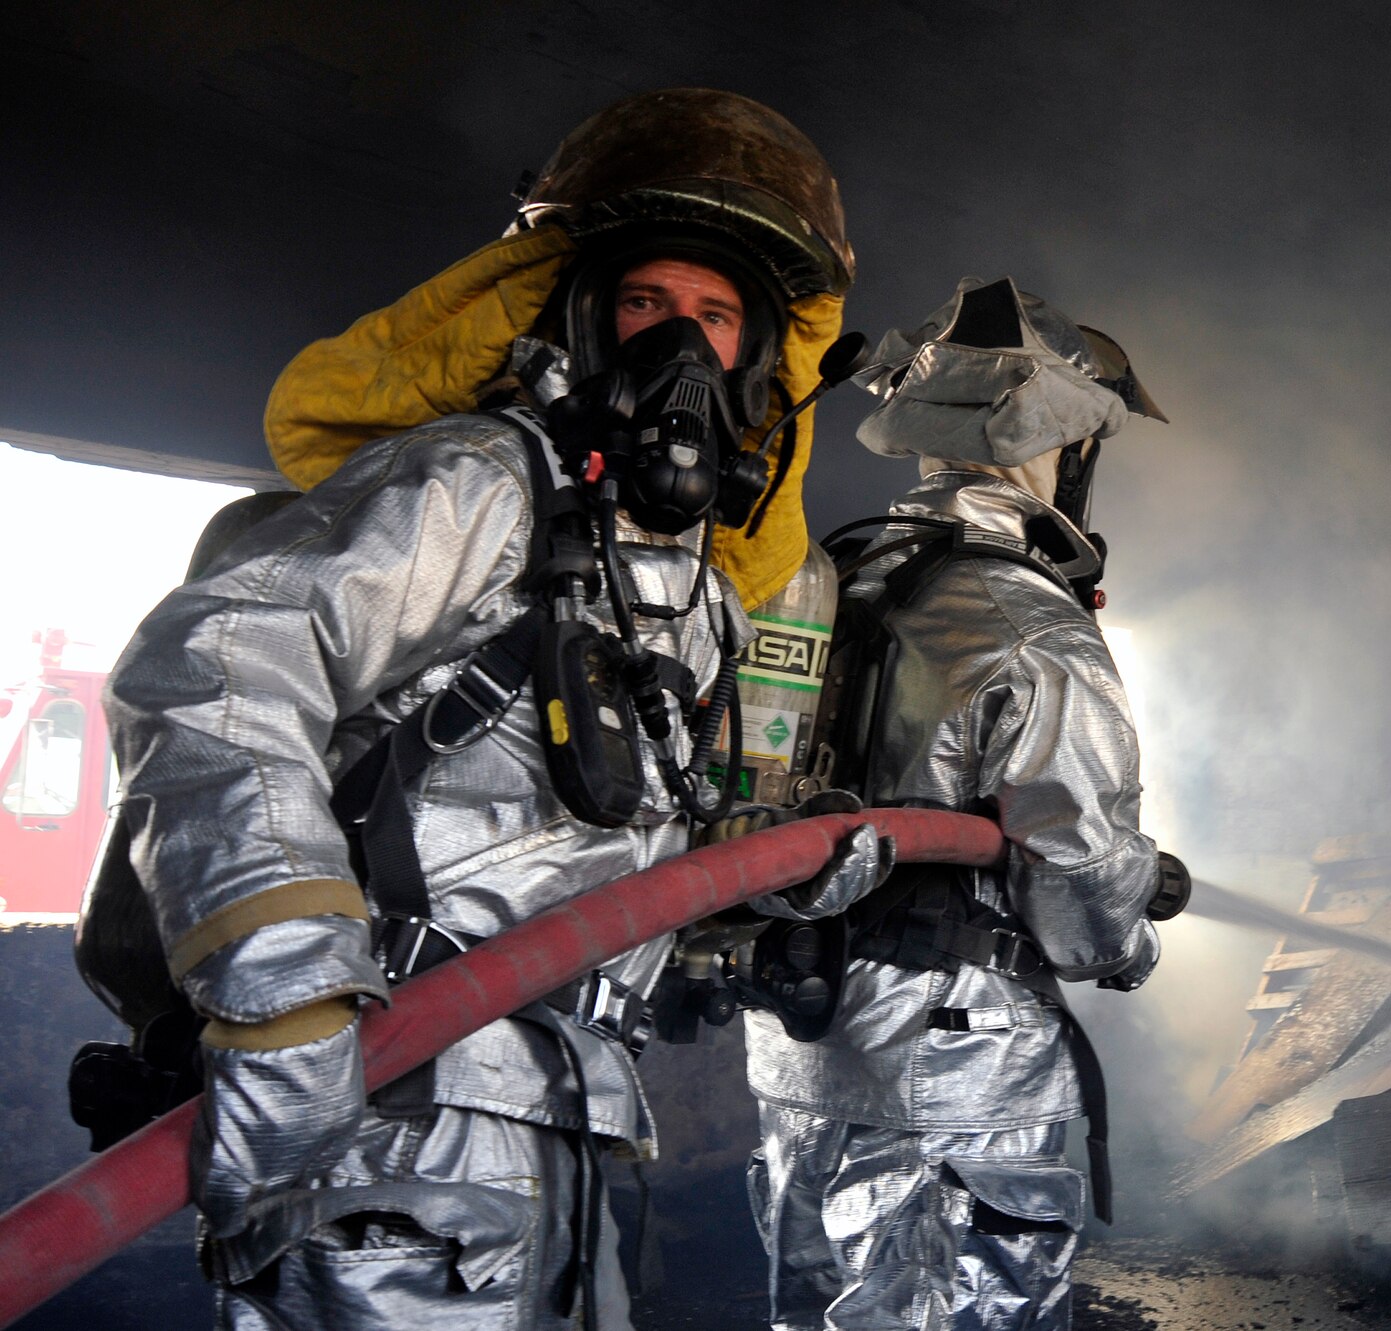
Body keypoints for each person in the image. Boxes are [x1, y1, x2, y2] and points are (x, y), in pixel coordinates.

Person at [101, 88, 865, 1330]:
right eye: (645, 305)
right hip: (388, 1118)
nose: (680, 347)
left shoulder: (702, 593)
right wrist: (285, 993)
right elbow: (216, 661)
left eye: (715, 317)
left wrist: (804, 872)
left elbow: (634, 850)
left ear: (759, 357)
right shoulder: (476, 482)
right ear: (577, 319)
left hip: (575, 1116)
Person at [740, 276, 1173, 1330]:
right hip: (952, 1067)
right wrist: (1127, 937)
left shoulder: (830, 573)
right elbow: (1075, 876)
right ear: (1065, 449)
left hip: (799, 1047)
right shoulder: (1033, 626)